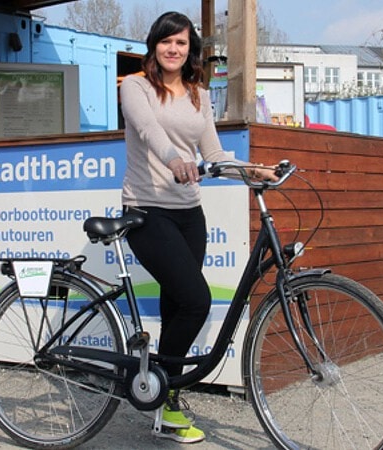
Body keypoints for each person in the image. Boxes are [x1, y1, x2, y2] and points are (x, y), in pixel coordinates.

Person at [119, 11, 277, 444]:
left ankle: (163, 403)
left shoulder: (198, 94)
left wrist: (253, 169)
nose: (173, 49)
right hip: (146, 210)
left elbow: (214, 153)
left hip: (190, 214)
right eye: (166, 41)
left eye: (182, 43)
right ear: (154, 45)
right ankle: (162, 387)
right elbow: (148, 129)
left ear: (191, 50)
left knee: (177, 305)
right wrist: (174, 159)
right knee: (196, 300)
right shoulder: (135, 87)